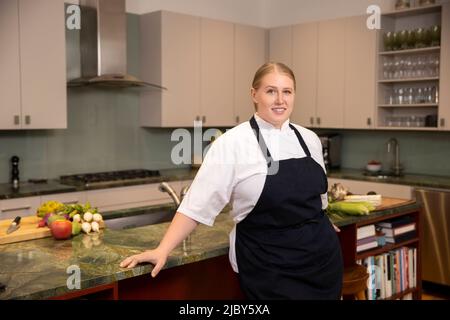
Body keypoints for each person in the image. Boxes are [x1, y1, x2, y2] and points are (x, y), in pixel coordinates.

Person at [120, 62, 344, 300]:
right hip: (270, 269)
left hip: (322, 263)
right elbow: (196, 204)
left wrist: (321, 220)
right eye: (271, 91)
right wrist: (162, 249)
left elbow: (317, 197)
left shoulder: (309, 139)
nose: (280, 100)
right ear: (254, 94)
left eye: (287, 91)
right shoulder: (233, 144)